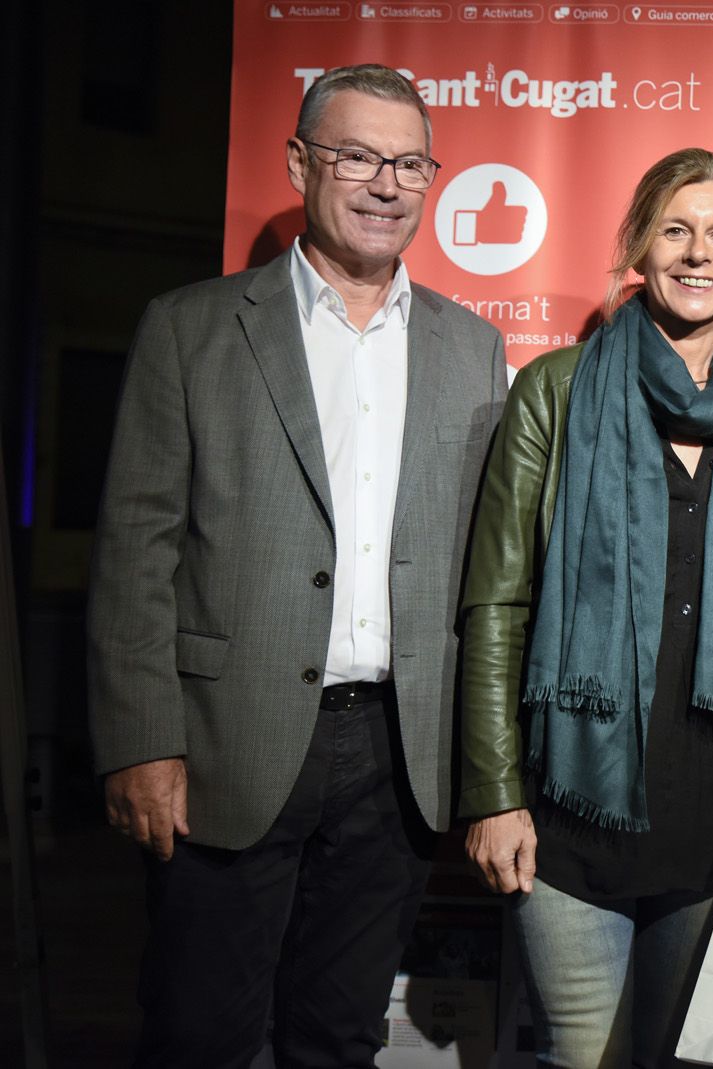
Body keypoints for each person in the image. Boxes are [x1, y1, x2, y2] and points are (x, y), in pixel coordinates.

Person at [86, 65, 507, 1067]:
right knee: (200, 1034)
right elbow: (137, 548)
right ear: (299, 163)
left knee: (341, 1036)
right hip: (223, 743)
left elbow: (488, 566)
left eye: (410, 164)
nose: (386, 184)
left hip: (398, 755)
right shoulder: (190, 328)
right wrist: (140, 741)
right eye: (357, 156)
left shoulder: (473, 348)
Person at [458, 147, 713, 1068]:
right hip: (571, 810)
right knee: (585, 1056)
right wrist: (494, 794)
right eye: (675, 229)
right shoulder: (557, 390)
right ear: (639, 246)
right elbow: (498, 604)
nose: (698, 252)